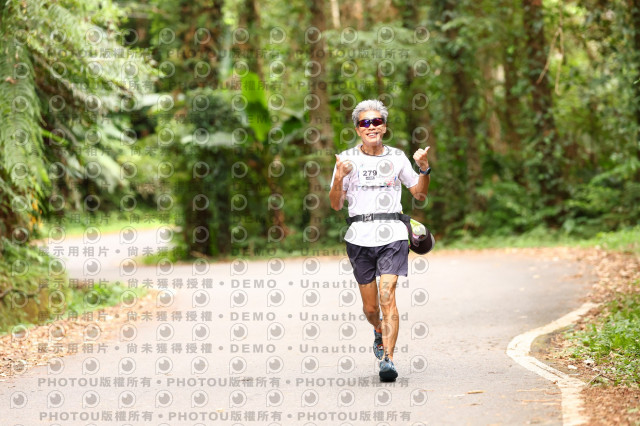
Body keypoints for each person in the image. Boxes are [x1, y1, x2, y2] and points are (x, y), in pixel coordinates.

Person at [329, 99, 431, 381]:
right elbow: (336, 205)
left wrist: (424, 169)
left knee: (388, 294)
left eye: (377, 122)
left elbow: (419, 194)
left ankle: (388, 359)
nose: (371, 126)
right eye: (365, 123)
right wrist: (338, 178)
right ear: (358, 129)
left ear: (384, 127)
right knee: (371, 308)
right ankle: (377, 329)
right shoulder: (345, 160)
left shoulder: (397, 158)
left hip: (393, 235)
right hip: (359, 237)